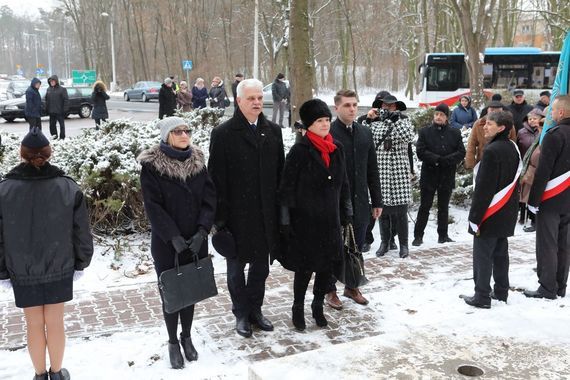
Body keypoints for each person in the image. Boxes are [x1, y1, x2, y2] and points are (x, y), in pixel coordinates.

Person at [0, 128, 94, 380]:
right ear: (48, 154)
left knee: (32, 323)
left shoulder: (4, 190)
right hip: (60, 264)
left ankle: (40, 374)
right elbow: (81, 232)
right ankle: (56, 373)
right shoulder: (67, 187)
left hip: (22, 268)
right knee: (54, 322)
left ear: (22, 155)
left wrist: (2, 270)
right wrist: (81, 261)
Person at [208, 79, 284, 338]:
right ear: (239, 101)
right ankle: (240, 312)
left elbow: (280, 174)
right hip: (235, 217)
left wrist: (281, 212)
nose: (257, 103)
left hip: (265, 215)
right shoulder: (223, 134)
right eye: (251, 98)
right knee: (236, 269)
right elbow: (215, 180)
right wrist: (219, 220)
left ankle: (255, 309)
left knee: (261, 268)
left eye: (260, 98)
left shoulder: (273, 131)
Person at [138, 116, 216, 369]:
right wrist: (172, 236)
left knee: (190, 291)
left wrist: (202, 232)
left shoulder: (198, 163)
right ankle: (172, 341)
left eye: (187, 130)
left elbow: (209, 199)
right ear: (166, 136)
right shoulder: (152, 167)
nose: (184, 135)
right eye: (177, 131)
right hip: (166, 242)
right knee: (172, 292)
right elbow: (153, 206)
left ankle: (187, 336)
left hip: (196, 240)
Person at [278, 98, 352, 330]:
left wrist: (346, 209)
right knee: (305, 268)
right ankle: (297, 306)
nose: (325, 124)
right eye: (319, 120)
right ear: (309, 124)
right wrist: (286, 219)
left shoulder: (336, 148)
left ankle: (317, 305)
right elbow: (286, 187)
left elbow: (344, 183)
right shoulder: (300, 151)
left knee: (326, 268)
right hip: (305, 223)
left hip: (330, 221)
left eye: (327, 120)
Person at [326, 89, 383, 309]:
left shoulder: (364, 133)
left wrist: (377, 200)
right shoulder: (329, 133)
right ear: (337, 107)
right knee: (335, 248)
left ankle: (352, 286)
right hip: (336, 203)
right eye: (347, 105)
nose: (352, 109)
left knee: (356, 246)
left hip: (360, 202)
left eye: (354, 105)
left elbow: (372, 169)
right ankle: (329, 289)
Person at [460, 111, 521, 309]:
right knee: (501, 254)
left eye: (489, 124)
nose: (484, 127)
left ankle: (482, 296)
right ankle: (502, 291)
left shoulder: (492, 151)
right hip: (506, 211)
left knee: (483, 255)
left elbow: (484, 189)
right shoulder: (513, 147)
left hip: (490, 212)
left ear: (501, 128)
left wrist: (475, 218)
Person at [525, 95, 570, 300]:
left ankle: (547, 287)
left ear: (561, 112)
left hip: (551, 198)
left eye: (552, 111)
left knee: (548, 244)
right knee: (564, 244)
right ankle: (560, 286)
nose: (550, 114)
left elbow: (544, 171)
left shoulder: (555, 134)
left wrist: (533, 201)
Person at [413, 103, 465, 246]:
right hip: (429, 175)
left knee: (443, 207)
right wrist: (436, 159)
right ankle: (418, 236)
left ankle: (443, 235)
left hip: (446, 175)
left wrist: (446, 161)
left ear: (447, 117)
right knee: (425, 206)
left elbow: (461, 152)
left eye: (441, 115)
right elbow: (420, 152)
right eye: (436, 114)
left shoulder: (455, 133)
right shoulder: (424, 132)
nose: (438, 117)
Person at [368, 95, 413, 258]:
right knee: (382, 211)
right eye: (385, 106)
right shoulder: (376, 123)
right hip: (382, 172)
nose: (388, 108)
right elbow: (372, 140)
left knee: (401, 212)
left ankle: (404, 245)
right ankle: (384, 242)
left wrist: (395, 121)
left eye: (392, 106)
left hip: (399, 171)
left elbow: (408, 138)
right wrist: (374, 120)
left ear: (396, 107)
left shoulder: (404, 121)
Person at [465, 100, 517, 170]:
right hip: (482, 162)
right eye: (492, 110)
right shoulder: (478, 124)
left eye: (497, 111)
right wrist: (470, 164)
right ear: (487, 111)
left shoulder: (508, 125)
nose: (494, 113)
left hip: (502, 162)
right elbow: (471, 144)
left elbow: (513, 144)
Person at [516, 108, 545, 225]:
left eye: (535, 118)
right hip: (525, 165)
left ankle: (533, 217)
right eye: (530, 119)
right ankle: (522, 216)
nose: (532, 121)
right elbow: (517, 147)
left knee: (533, 192)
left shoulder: (543, 132)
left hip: (536, 166)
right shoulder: (521, 132)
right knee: (523, 192)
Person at [45, 75, 68, 140]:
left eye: (53, 81)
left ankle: (62, 137)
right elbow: (47, 100)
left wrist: (65, 109)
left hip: (59, 111)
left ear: (56, 81)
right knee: (52, 125)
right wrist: (46, 109)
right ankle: (54, 136)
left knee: (62, 125)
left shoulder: (62, 89)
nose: (51, 82)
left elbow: (66, 100)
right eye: (50, 81)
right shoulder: (48, 89)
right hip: (51, 111)